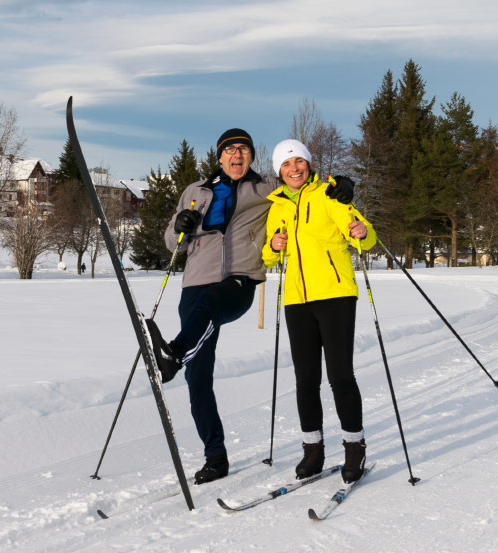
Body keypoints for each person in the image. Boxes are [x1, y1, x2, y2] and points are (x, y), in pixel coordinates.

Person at [146, 128, 355, 485]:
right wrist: (180, 227)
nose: (237, 156)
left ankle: (173, 356)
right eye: (230, 150)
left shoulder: (266, 186)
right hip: (195, 282)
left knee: (206, 318)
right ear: (220, 156)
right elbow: (172, 243)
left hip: (239, 280)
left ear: (251, 157)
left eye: (243, 150)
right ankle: (216, 457)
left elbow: (302, 179)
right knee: (199, 378)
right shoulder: (195, 192)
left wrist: (344, 183)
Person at [261, 139, 376, 484]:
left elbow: (365, 238)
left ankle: (354, 448)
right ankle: (313, 450)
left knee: (340, 376)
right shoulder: (276, 207)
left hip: (336, 294)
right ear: (278, 171)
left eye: (298, 162)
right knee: (305, 380)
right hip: (296, 300)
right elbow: (268, 257)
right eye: (286, 164)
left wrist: (360, 230)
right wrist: (273, 246)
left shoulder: (329, 193)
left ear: (308, 164)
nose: (293, 169)